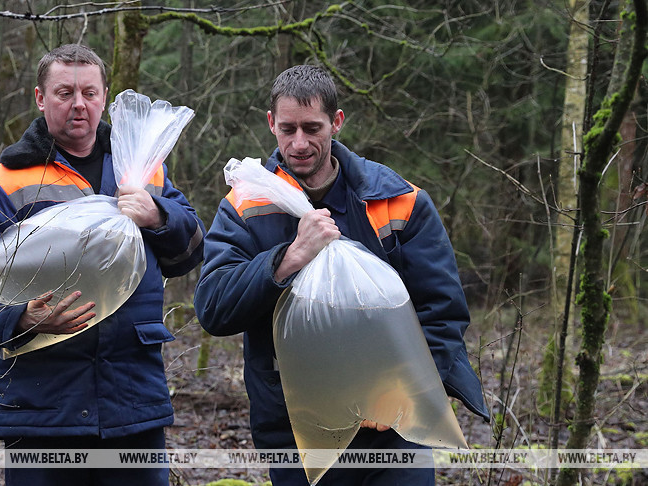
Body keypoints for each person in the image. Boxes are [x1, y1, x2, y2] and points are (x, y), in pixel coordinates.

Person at [193, 65, 489, 485]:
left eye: (312, 128)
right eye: (288, 128)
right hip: (299, 430)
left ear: (337, 122)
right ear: (270, 124)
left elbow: (442, 312)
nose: (299, 143)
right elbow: (214, 309)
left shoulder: (397, 200)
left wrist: (403, 395)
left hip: (396, 433)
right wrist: (288, 257)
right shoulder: (245, 206)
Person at [0, 44, 205, 486]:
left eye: (89, 92)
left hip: (131, 401)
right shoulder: (6, 182)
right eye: (64, 93)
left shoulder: (142, 169)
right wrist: (22, 317)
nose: (79, 105)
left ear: (105, 96)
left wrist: (159, 216)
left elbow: (191, 253)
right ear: (41, 98)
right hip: (40, 406)